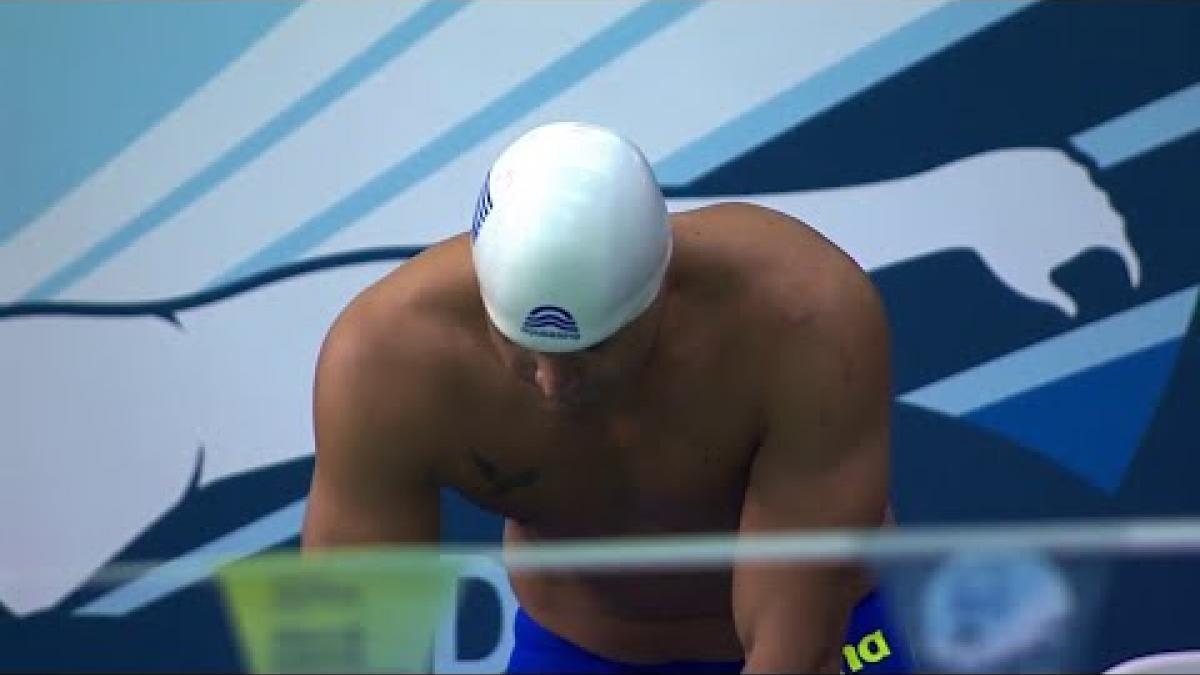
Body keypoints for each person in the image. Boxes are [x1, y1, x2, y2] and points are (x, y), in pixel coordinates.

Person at [302, 121, 911, 673]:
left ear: (659, 296)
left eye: (590, 351)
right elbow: (355, 654)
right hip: (582, 651)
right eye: (521, 346)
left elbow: (795, 651)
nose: (551, 382)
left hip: (829, 637)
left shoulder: (799, 317)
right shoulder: (388, 362)